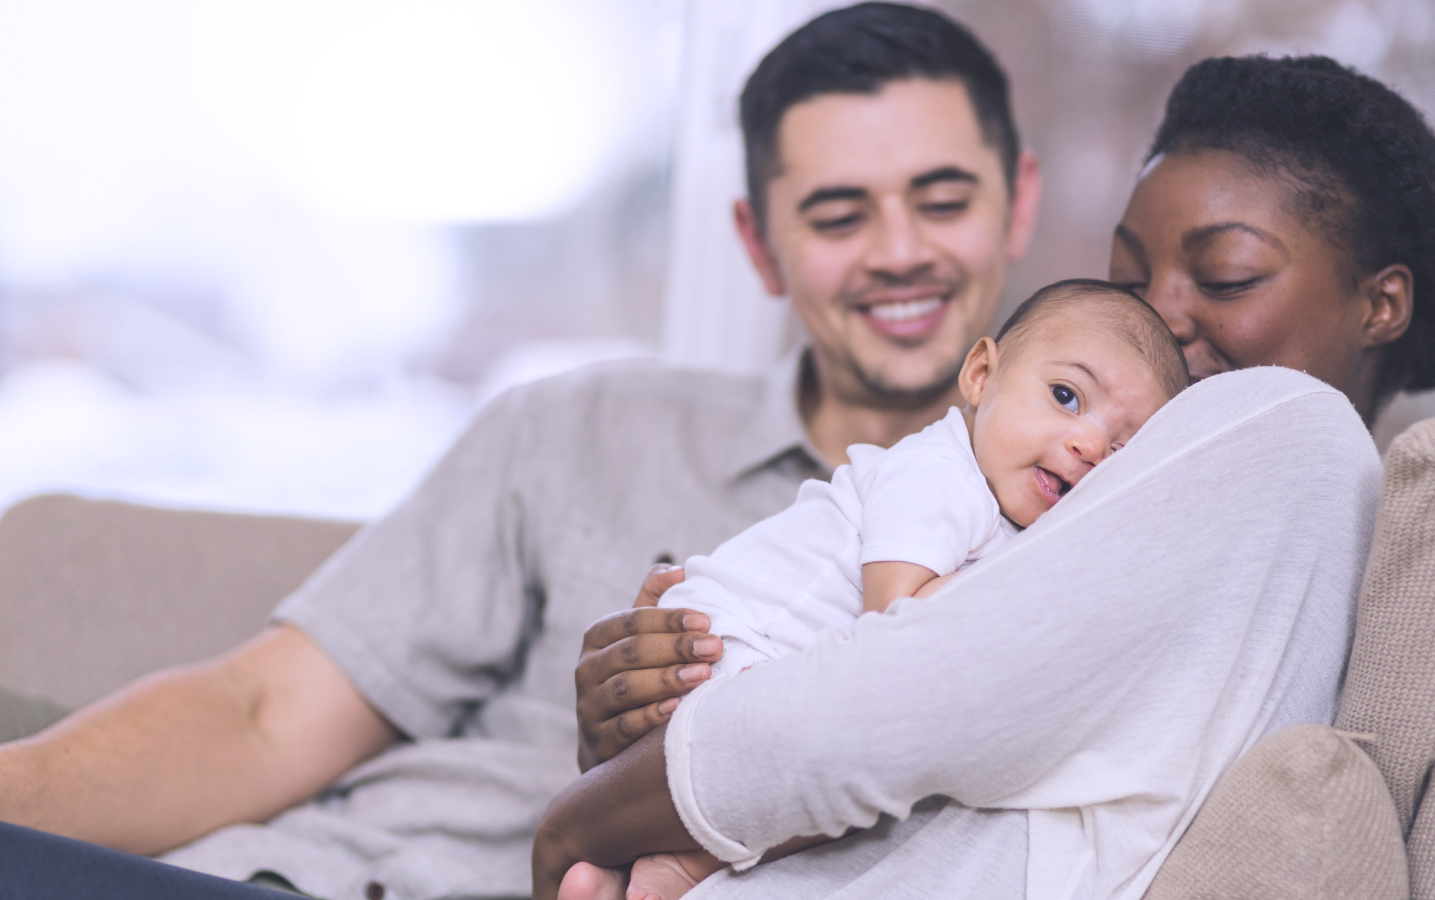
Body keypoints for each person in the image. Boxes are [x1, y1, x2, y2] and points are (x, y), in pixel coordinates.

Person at [0, 4, 1042, 899]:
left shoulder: (1074, 536)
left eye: (942, 199)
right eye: (837, 214)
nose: (901, 249)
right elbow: (264, 715)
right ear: (759, 244)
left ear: (1018, 203)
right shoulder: (578, 428)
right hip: (285, 872)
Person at [551, 53, 1435, 900]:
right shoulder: (1064, 482)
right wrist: (666, 701)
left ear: (1382, 304)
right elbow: (870, 686)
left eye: (1224, 277)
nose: (1162, 319)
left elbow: (886, 700)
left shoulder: (1304, 444)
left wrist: (585, 818)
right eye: (1130, 279)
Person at [619, 280, 1186, 897]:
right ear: (981, 374)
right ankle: (690, 860)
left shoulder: (1005, 515)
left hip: (763, 675)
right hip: (724, 646)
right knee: (877, 761)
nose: (1091, 444)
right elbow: (898, 619)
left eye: (1124, 450)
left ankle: (667, 857)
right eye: (1066, 396)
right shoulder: (940, 473)